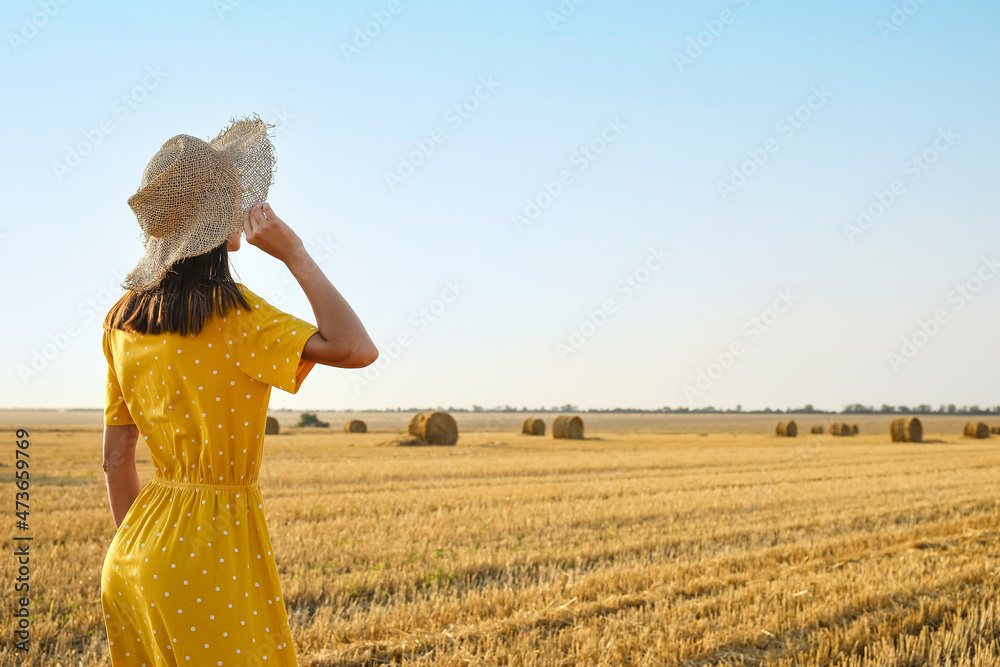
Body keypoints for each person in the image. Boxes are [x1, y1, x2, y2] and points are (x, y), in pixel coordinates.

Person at [99, 115, 377, 666]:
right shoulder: (237, 316)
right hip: (211, 555)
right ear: (213, 218)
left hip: (132, 555)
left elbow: (116, 460)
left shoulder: (122, 319)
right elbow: (356, 349)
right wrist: (294, 252)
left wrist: (141, 551)